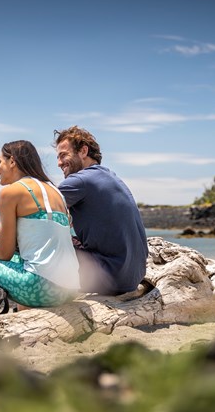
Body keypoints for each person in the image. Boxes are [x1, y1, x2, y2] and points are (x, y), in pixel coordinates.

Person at [0, 140, 80, 307]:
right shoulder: (54, 190)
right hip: (70, 289)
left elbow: (4, 253)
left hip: (42, 288)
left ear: (12, 161)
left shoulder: (11, 192)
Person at [53, 126, 147, 295]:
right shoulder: (111, 177)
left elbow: (35, 211)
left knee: (31, 243)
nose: (59, 163)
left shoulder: (78, 181)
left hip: (109, 278)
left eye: (63, 155)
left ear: (83, 151)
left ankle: (26, 309)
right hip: (134, 276)